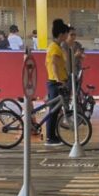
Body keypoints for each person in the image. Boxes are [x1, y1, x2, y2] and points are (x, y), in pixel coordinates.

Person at [45, 18, 70, 147]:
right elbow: (54, 64)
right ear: (61, 34)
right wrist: (58, 79)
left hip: (57, 81)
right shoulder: (54, 47)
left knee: (55, 111)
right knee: (53, 111)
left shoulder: (57, 46)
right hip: (55, 83)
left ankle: (53, 135)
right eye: (66, 34)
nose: (67, 36)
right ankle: (49, 137)